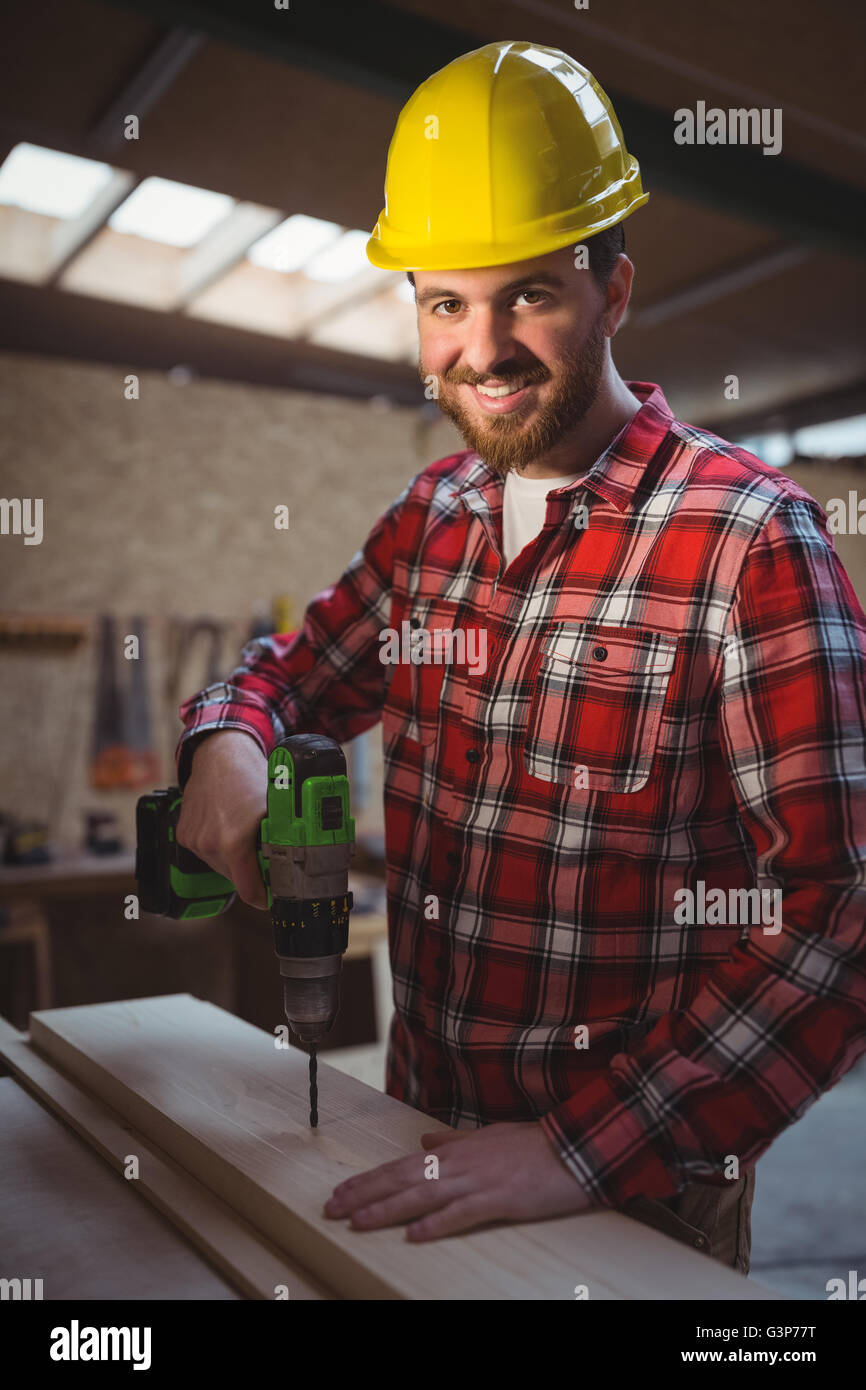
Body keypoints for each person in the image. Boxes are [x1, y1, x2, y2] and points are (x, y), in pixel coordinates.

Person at [175, 41, 866, 1277]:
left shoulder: (752, 538)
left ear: (614, 290)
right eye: (445, 303)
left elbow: (839, 912)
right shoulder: (432, 518)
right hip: (410, 1135)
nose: (480, 349)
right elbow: (288, 675)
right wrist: (229, 736)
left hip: (635, 1187)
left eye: (529, 294)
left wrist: (576, 1147)